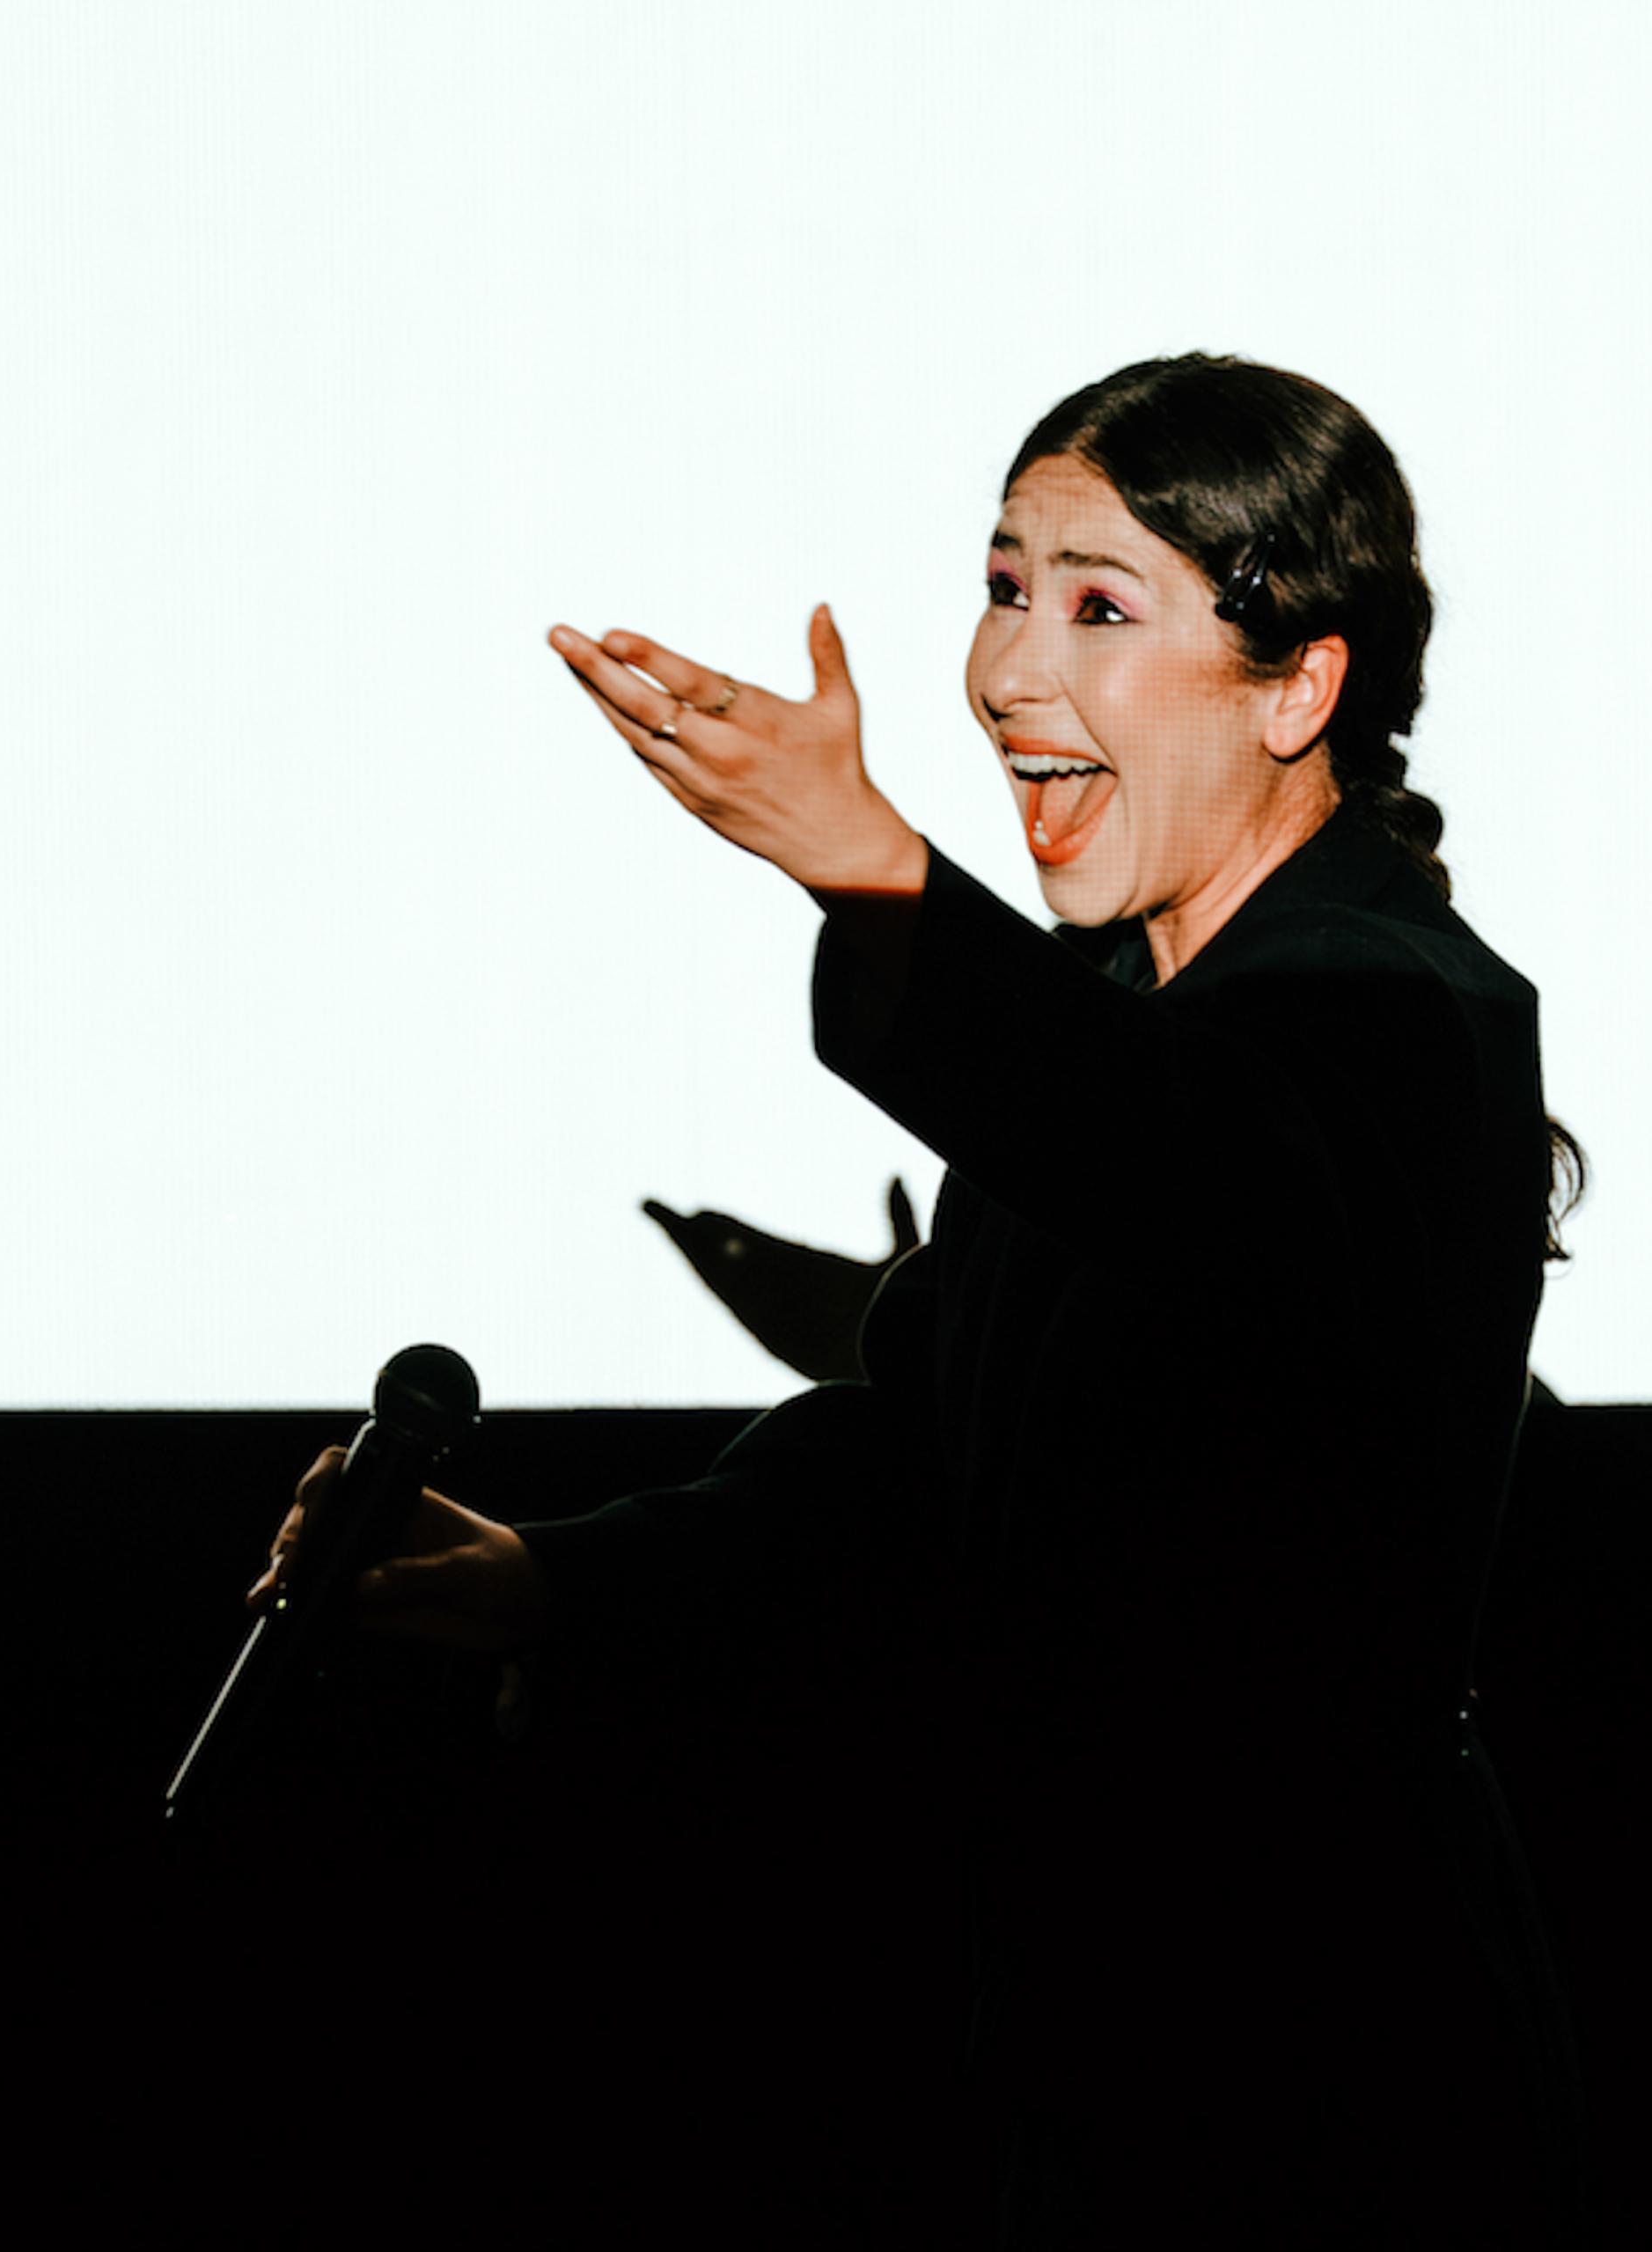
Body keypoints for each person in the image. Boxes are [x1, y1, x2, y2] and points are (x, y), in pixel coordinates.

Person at [257, 354, 1583, 2245]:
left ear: (1300, 683)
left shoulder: (1400, 1007)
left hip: (1326, 2053)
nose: (1006, 670)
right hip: (1084, 2029)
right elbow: (921, 1461)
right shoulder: (1118, 1019)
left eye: (1100, 606)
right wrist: (558, 1576)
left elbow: (1178, 1164)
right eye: (1003, 588)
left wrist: (868, 865)